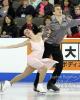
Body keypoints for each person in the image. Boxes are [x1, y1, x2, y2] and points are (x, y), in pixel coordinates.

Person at [34, 4, 80, 92]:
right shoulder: (50, 21)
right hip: (48, 45)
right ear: (54, 12)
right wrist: (44, 36)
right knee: (42, 66)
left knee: (60, 65)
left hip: (56, 46)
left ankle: (51, 83)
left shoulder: (66, 20)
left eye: (60, 9)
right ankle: (36, 85)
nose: (60, 10)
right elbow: (43, 33)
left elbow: (76, 22)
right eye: (58, 9)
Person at [0, 28, 58, 93]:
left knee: (24, 75)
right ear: (26, 35)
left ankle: (8, 83)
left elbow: (47, 31)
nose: (27, 32)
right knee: (44, 68)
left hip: (38, 60)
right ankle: (39, 86)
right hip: (32, 59)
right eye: (25, 33)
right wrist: (3, 47)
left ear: (31, 30)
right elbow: (16, 45)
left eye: (27, 30)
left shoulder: (39, 35)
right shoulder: (28, 41)